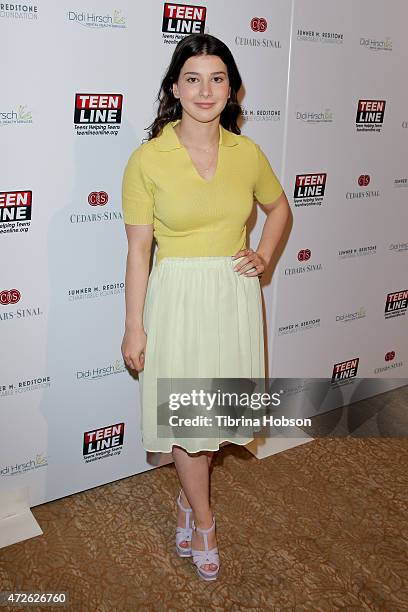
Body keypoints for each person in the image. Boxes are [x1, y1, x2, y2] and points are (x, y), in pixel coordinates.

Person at [121, 33, 290, 581]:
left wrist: (262, 256)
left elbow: (280, 210)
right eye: (193, 78)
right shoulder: (148, 159)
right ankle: (205, 520)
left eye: (217, 78)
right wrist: (133, 329)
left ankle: (187, 503)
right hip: (178, 300)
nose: (205, 89)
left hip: (233, 298)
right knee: (189, 421)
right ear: (175, 87)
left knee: (214, 420)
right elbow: (139, 252)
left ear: (232, 89)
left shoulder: (248, 153)